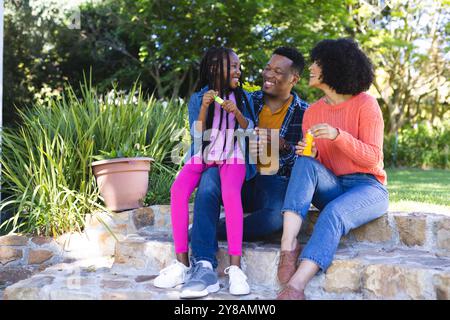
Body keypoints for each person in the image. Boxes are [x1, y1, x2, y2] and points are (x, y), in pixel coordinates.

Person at [183, 47, 309, 299]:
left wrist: (281, 144)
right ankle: (204, 263)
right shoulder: (246, 99)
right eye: (268, 68)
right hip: (237, 172)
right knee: (209, 180)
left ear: (293, 79)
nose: (268, 75)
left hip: (271, 180)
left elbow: (304, 161)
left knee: (275, 217)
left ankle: (207, 229)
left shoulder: (304, 112)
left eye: (277, 71)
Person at [276, 38, 389, 300]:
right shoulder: (312, 112)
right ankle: (288, 246)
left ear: (334, 67)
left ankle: (296, 286)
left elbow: (373, 159)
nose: (311, 68)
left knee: (334, 213)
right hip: (334, 185)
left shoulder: (366, 104)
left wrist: (339, 135)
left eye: (317, 63)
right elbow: (321, 164)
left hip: (368, 187)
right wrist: (313, 154)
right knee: (304, 162)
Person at [153, 47, 257, 298]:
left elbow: (250, 129)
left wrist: (237, 113)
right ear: (214, 69)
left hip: (232, 155)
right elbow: (197, 134)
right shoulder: (199, 97)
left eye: (238, 66)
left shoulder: (243, 97)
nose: (238, 70)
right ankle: (182, 263)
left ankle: (235, 268)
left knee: (231, 195)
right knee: (177, 190)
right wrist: (205, 107)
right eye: (232, 66)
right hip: (206, 153)